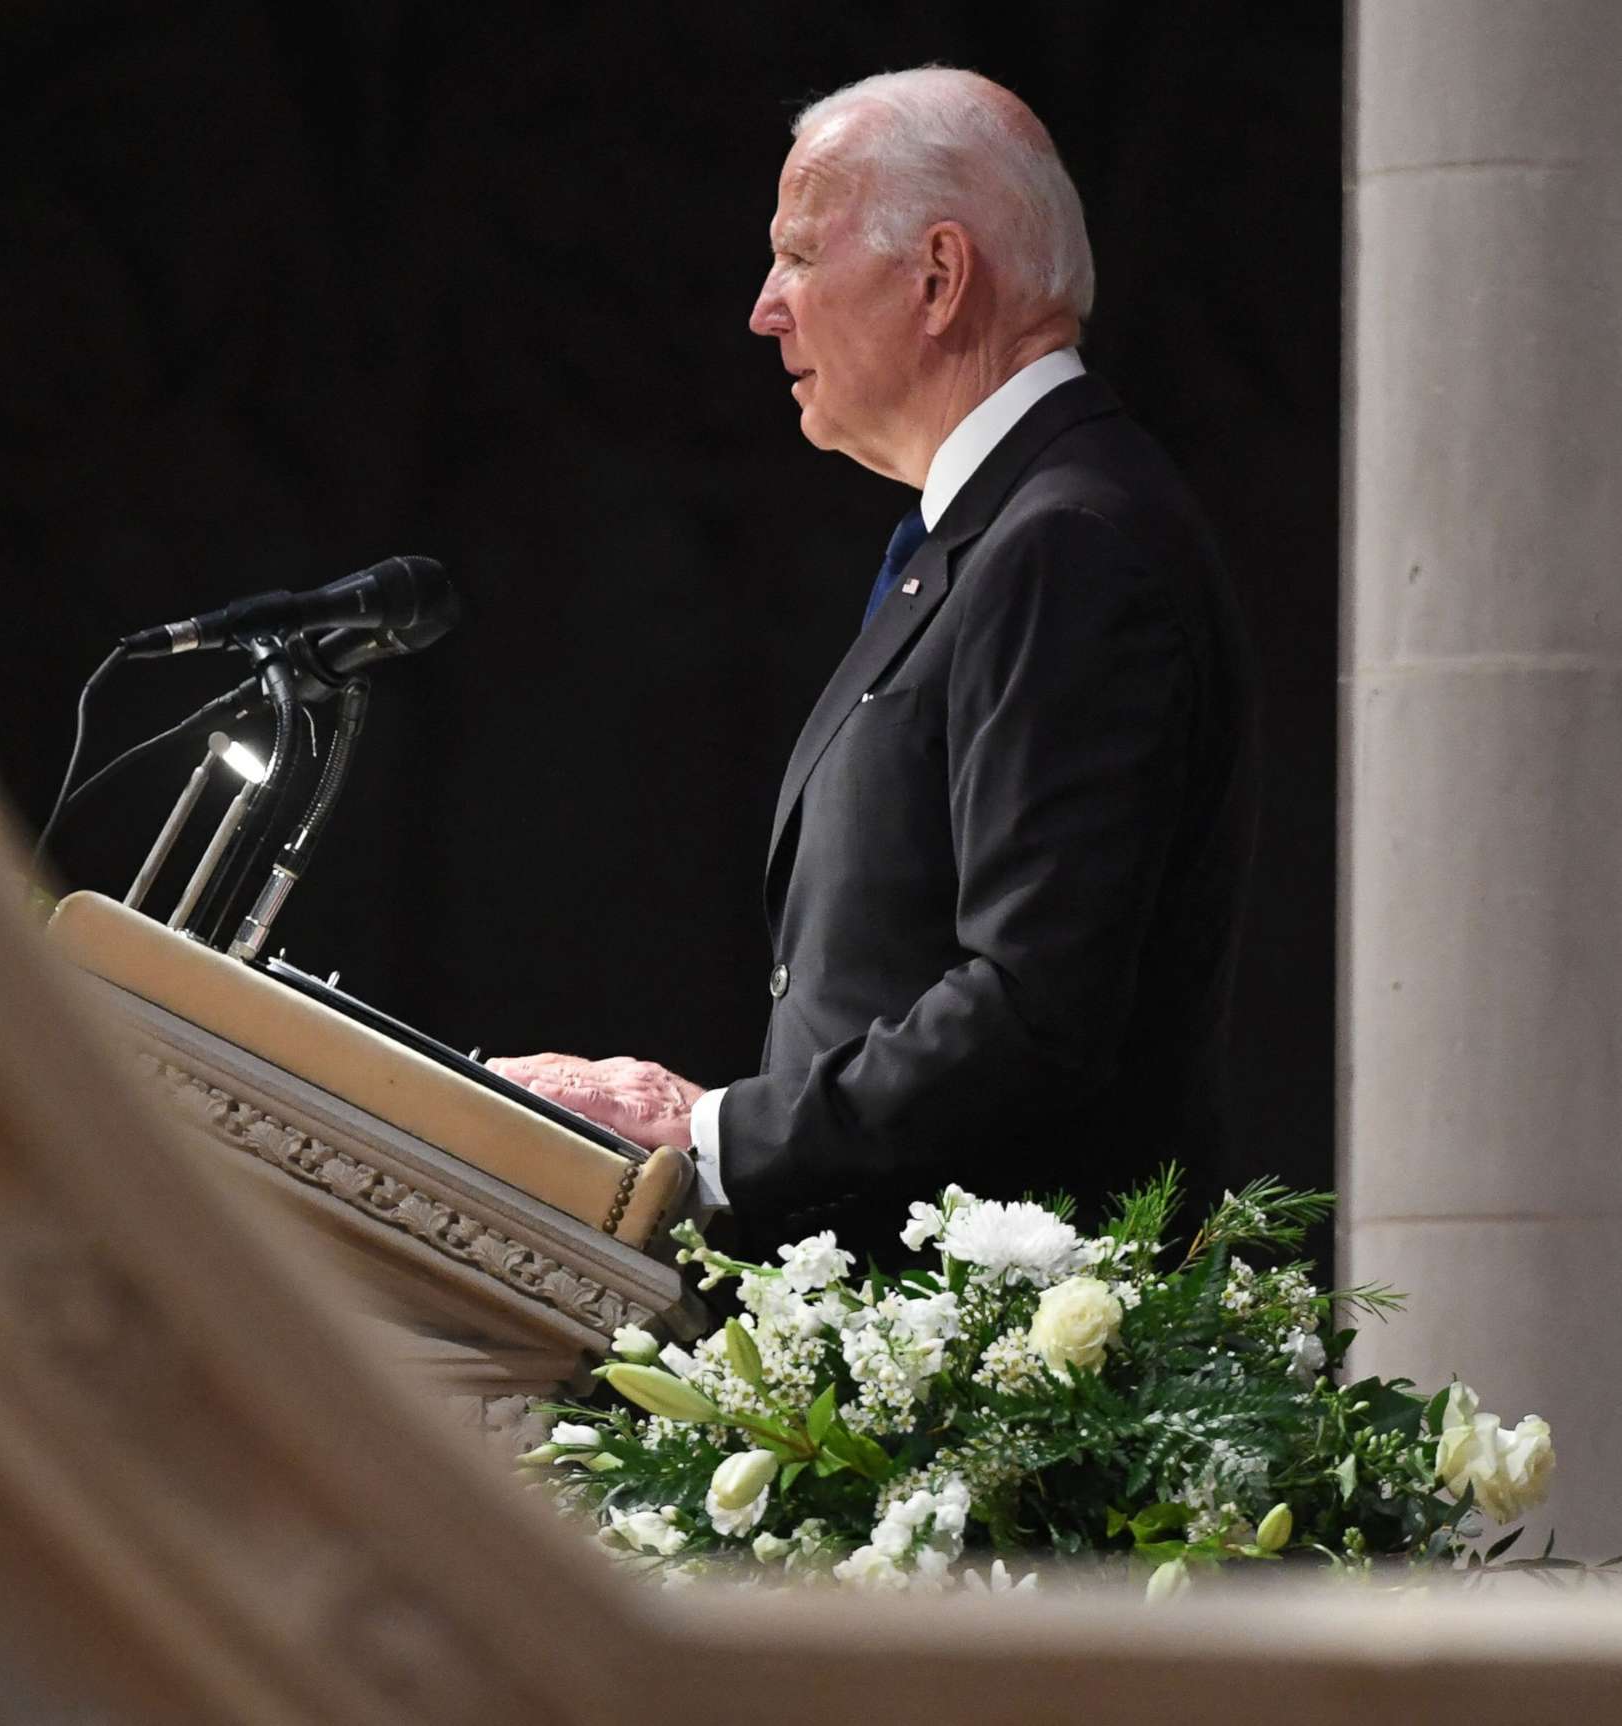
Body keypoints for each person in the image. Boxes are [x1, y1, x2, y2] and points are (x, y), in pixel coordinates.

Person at [491, 67, 1256, 1261]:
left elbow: (1033, 1008)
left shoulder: (1068, 543)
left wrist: (709, 1137)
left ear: (939, 278)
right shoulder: (1010, 533)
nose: (763, 307)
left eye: (799, 255)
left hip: (1009, 1375)